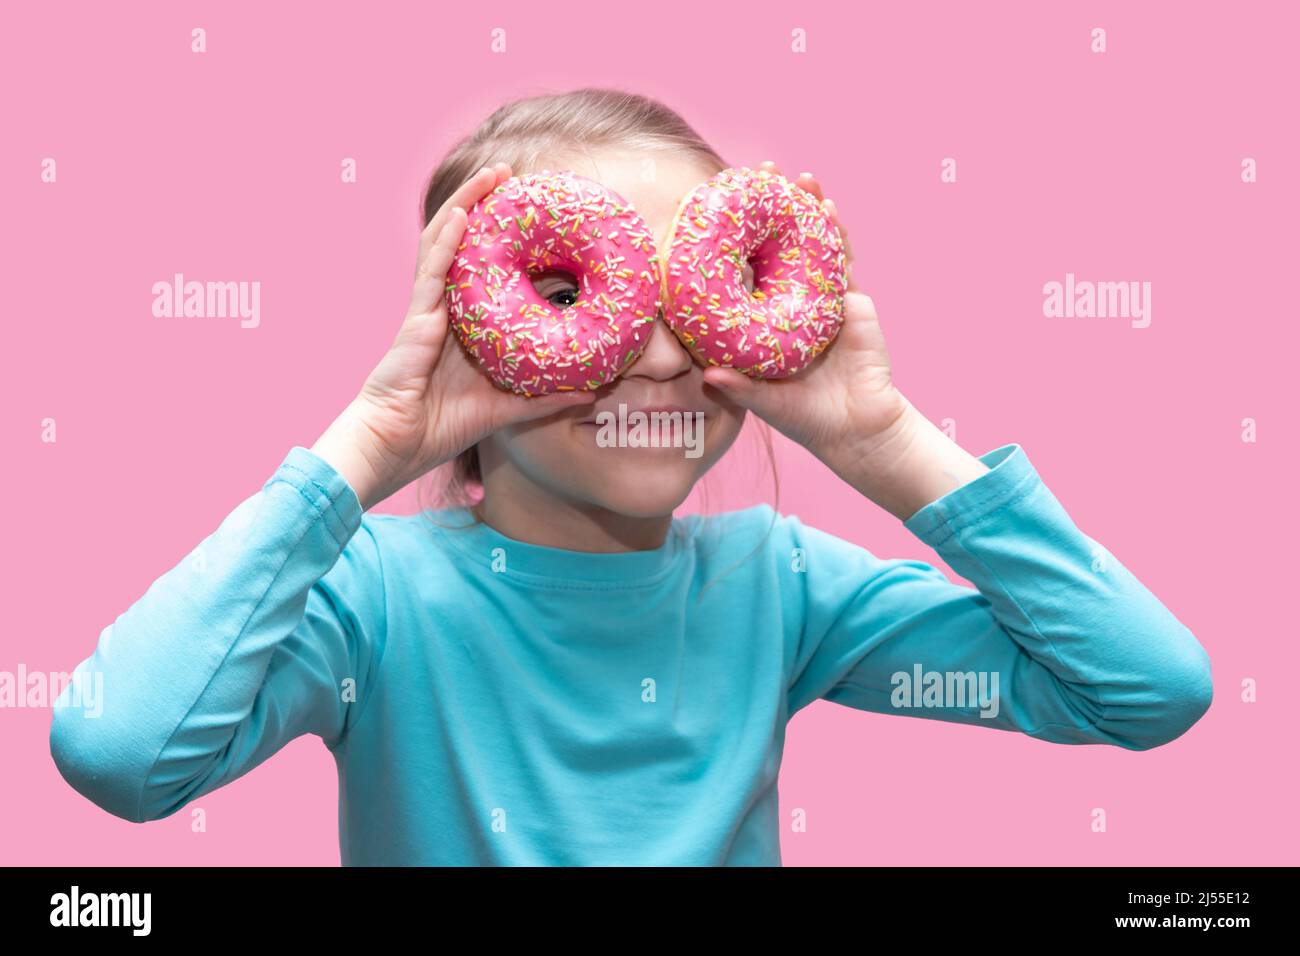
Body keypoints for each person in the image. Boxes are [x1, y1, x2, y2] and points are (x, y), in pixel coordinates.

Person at [49, 88, 1213, 865]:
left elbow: (1141, 687)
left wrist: (883, 442)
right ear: (462, 330)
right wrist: (363, 449)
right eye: (570, 296)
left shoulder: (782, 585)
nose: (655, 352)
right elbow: (122, 753)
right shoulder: (371, 601)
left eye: (693, 301)